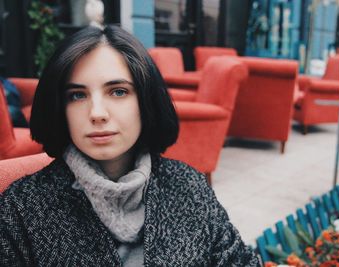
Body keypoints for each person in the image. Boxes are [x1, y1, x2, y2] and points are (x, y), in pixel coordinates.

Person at [0, 25, 260, 266]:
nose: (97, 113)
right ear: (60, 108)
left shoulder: (188, 184)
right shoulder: (22, 209)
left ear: (145, 101)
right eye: (77, 95)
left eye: (118, 91)